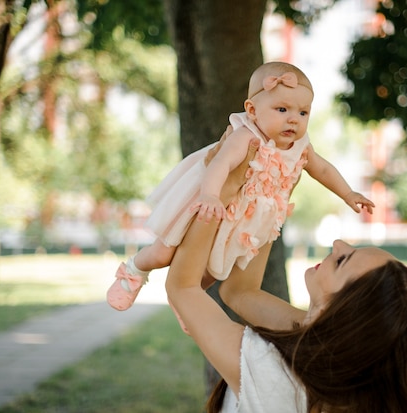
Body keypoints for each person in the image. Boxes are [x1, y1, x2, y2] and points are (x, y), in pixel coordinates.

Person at [164, 142, 407, 413]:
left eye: (343, 260)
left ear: (343, 315)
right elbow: (239, 293)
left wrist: (221, 190)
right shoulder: (330, 361)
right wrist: (274, 189)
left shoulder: (273, 374)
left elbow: (183, 287)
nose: (338, 244)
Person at [107, 61, 374, 311]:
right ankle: (134, 270)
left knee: (216, 267)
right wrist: (210, 195)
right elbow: (219, 164)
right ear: (252, 110)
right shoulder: (245, 136)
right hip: (209, 201)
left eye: (302, 112)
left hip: (241, 219)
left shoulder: (301, 147)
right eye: (282, 109)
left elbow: (323, 169)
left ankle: (188, 304)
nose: (293, 119)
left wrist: (348, 193)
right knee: (165, 252)